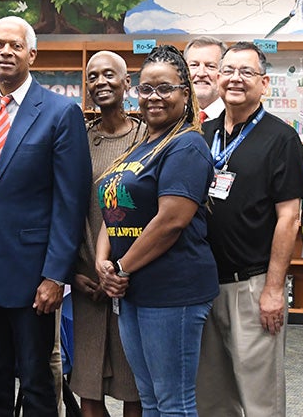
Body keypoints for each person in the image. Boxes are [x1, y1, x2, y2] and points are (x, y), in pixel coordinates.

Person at [0, 15, 91, 416]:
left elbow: (71, 201)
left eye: (15, 46)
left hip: (33, 275)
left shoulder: (60, 111)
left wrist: (55, 276)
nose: (5, 52)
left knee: (35, 379)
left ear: (32, 54)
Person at [95, 44, 218, 416]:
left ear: (185, 92)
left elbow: (171, 222)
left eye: (165, 88)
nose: (154, 97)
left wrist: (121, 268)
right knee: (149, 399)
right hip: (132, 289)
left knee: (173, 402)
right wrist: (103, 261)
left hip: (172, 289)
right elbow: (112, 209)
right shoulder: (141, 147)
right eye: (146, 89)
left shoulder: (187, 146)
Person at [195, 42, 303, 417]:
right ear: (217, 78)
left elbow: (289, 217)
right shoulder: (202, 134)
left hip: (253, 285)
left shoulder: (281, 138)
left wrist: (275, 289)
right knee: (211, 397)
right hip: (203, 283)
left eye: (247, 72)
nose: (235, 79)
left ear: (263, 84)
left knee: (258, 399)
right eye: (228, 70)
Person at [73, 50, 143, 417]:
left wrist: (123, 270)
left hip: (135, 279)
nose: (100, 82)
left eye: (109, 75)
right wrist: (76, 271)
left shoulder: (150, 137)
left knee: (135, 387)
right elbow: (69, 208)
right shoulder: (78, 140)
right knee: (89, 383)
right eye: (93, 76)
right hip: (87, 279)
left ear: (127, 82)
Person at [184, 36, 226, 122]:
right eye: (194, 65)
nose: (201, 73)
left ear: (224, 72)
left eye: (210, 66)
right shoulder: (170, 117)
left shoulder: (235, 117)